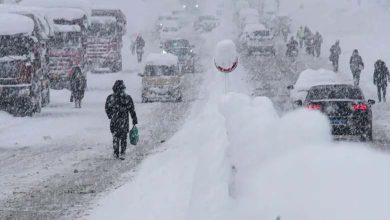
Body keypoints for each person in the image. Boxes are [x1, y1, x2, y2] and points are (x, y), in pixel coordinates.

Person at [105, 80, 138, 159]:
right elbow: (132, 110)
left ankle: (116, 153)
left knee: (115, 137)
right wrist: (134, 119)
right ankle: (122, 152)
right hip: (124, 121)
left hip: (115, 121)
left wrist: (110, 115)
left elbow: (107, 108)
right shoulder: (127, 98)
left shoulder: (111, 97)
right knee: (123, 138)